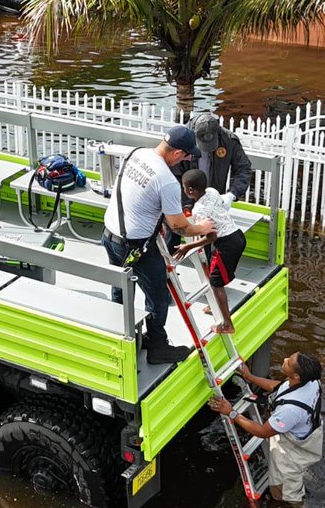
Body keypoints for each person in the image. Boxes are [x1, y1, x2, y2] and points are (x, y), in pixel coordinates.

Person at [103, 125, 217, 365]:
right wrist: (203, 227)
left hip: (110, 234)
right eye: (186, 156)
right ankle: (157, 346)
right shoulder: (167, 181)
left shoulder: (136, 154)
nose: (185, 161)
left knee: (121, 286)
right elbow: (179, 226)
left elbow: (137, 195)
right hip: (136, 247)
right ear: (177, 153)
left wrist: (155, 224)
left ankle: (118, 336)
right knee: (158, 295)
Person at [208, 352, 324, 504]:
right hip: (306, 434)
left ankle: (295, 507)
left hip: (292, 449)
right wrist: (250, 377)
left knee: (283, 492)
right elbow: (279, 387)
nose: (285, 359)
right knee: (296, 471)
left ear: (296, 376)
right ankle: (299, 474)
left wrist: (231, 413)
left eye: (289, 362)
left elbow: (262, 432)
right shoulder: (311, 381)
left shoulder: (290, 410)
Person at [175, 169, 246, 334]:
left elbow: (211, 237)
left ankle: (227, 325)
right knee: (216, 275)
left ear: (190, 190)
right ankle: (215, 306)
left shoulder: (198, 211)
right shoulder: (212, 191)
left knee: (216, 283)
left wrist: (187, 246)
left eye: (183, 187)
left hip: (226, 244)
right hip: (238, 235)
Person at [186, 112, 253, 204]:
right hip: (184, 201)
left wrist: (232, 194)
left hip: (215, 201)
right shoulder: (182, 138)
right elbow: (174, 173)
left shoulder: (229, 140)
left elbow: (243, 168)